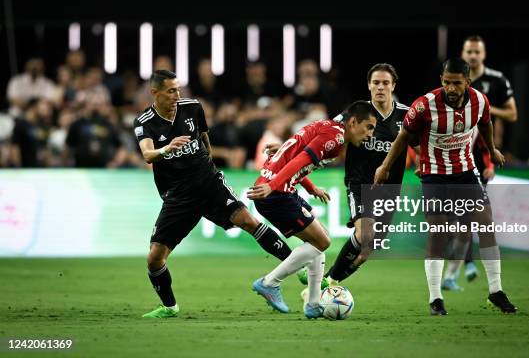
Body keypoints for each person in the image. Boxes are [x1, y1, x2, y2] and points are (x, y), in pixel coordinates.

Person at [133, 70, 292, 319]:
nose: (177, 95)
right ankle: (169, 307)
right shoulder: (144, 122)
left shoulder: (193, 108)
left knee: (249, 221)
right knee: (155, 258)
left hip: (208, 183)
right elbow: (147, 154)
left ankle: (299, 266)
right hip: (178, 196)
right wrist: (166, 148)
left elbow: (204, 139)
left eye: (178, 89)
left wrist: (208, 166)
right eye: (171, 90)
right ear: (155, 93)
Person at [374, 58, 517, 315]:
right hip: (434, 175)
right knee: (438, 233)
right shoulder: (424, 106)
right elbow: (404, 136)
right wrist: (385, 166)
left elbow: (485, 124)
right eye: (447, 82)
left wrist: (492, 149)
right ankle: (435, 298)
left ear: (467, 82)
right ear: (441, 80)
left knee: (486, 223)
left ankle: (496, 291)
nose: (451, 88)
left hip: (465, 171)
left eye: (457, 83)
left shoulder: (480, 102)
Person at [247, 101, 377, 319]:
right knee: (323, 242)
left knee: (319, 240)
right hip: (277, 193)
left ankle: (313, 304)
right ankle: (269, 282)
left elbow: (297, 156)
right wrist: (274, 185)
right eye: (369, 127)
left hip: (279, 190)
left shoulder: (327, 127)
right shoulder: (335, 138)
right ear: (353, 122)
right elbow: (300, 160)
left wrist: (311, 187)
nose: (370, 134)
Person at [298, 63, 410, 287]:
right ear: (369, 85)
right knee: (365, 233)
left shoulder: (406, 116)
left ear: (393, 85)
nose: (380, 87)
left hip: (389, 190)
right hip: (359, 184)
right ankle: (325, 285)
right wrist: (292, 147)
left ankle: (329, 281)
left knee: (368, 249)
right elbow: (325, 128)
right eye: (376, 83)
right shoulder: (356, 112)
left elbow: (424, 143)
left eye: (385, 83)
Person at [441, 36, 519, 289]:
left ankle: (459, 272)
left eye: (477, 52)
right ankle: (461, 268)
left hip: (479, 159)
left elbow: (512, 114)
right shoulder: (450, 85)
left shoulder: (496, 81)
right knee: (456, 220)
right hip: (447, 161)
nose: (473, 56)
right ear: (463, 54)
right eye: (468, 51)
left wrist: (483, 107)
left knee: (470, 220)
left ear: (483, 55)